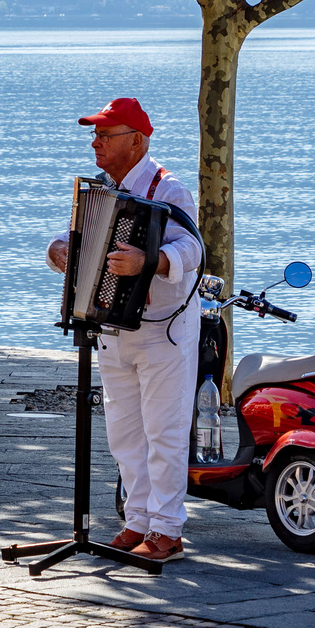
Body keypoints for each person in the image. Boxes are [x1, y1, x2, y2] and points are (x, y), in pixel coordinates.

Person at [46, 97, 202, 562]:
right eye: (94, 135)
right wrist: (56, 251)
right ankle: (137, 522)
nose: (95, 143)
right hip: (111, 329)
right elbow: (73, 239)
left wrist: (147, 263)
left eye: (104, 135)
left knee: (164, 431)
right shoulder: (100, 190)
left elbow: (194, 252)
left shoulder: (169, 189)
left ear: (135, 141)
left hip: (162, 331)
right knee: (124, 432)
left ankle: (168, 529)